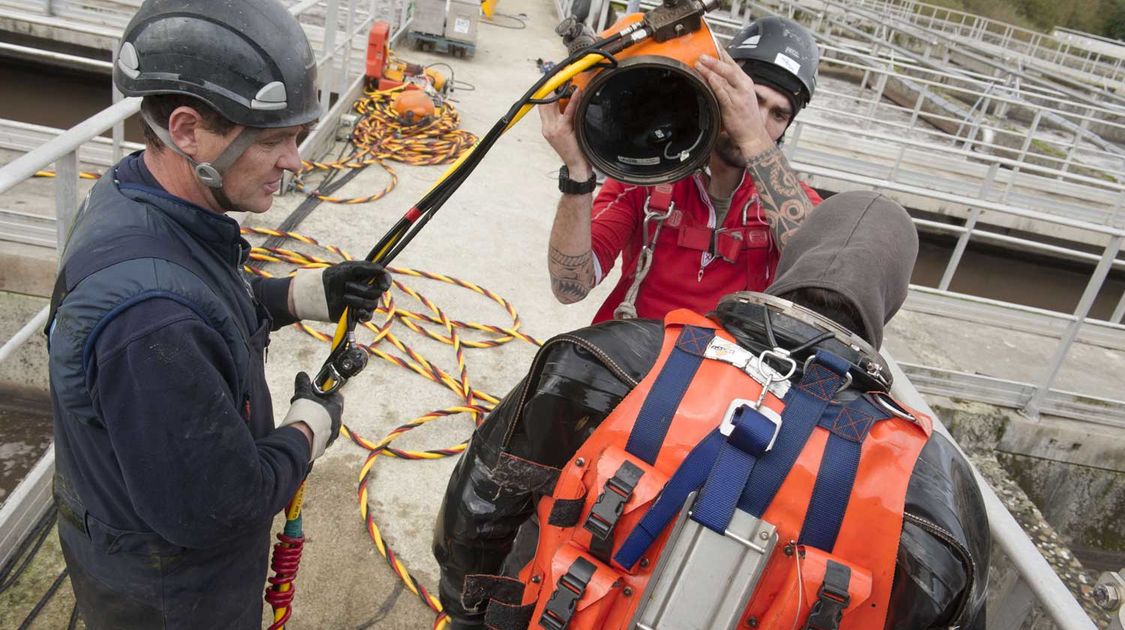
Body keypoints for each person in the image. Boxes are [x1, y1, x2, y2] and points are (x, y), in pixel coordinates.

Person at [433, 191, 989, 629]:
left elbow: (478, 505)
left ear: (791, 259)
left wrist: (466, 616)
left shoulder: (614, 356)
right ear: (890, 301)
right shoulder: (934, 484)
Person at [44, 0, 389, 626]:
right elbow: (224, 507)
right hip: (173, 596)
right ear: (187, 129)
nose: (295, 160)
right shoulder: (150, 322)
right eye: (275, 139)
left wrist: (306, 295)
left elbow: (205, 296)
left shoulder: (136, 193)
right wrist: (310, 426)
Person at [541, 16, 825, 322]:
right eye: (752, 100)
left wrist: (752, 136)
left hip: (727, 365)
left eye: (779, 115)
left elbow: (820, 272)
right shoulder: (649, 175)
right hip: (633, 356)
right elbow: (570, 287)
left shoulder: (792, 203)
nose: (761, 121)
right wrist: (577, 174)